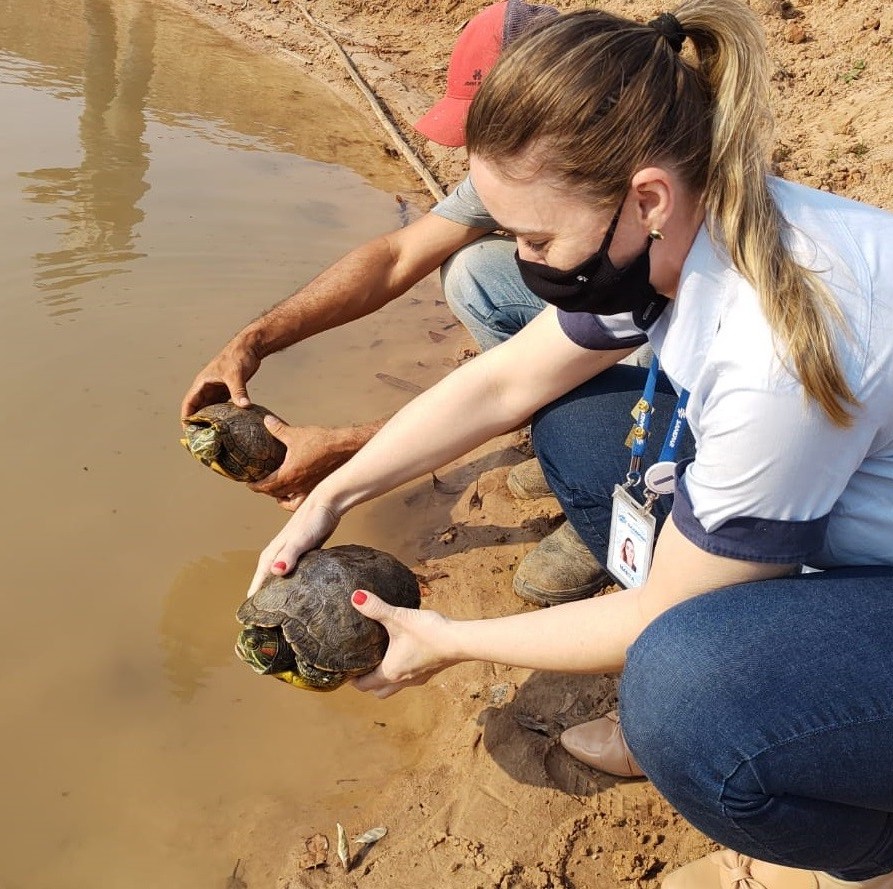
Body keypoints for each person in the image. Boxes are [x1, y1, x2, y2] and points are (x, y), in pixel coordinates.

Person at [244, 2, 893, 888]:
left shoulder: (778, 344)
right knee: (585, 427)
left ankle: (857, 865)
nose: (523, 260)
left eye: (535, 236)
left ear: (646, 199)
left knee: (680, 692)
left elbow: (653, 619)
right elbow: (506, 381)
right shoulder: (689, 231)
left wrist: (445, 637)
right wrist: (332, 495)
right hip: (891, 555)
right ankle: (780, 705)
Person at [179, 0, 617, 605]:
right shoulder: (545, 167)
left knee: (584, 419)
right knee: (475, 272)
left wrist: (347, 450)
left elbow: (508, 388)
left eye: (493, 130)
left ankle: (616, 490)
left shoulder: (654, 242)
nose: (477, 154)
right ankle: (567, 436)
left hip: (680, 386)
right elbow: (395, 257)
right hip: (605, 325)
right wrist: (251, 341)